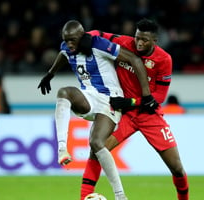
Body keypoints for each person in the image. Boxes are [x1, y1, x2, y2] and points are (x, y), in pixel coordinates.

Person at [37, 20, 158, 200]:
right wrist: (50, 74)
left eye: (73, 40)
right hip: (89, 97)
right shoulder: (66, 47)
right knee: (64, 92)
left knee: (96, 143)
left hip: (110, 100)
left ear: (81, 36)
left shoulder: (98, 45)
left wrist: (146, 95)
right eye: (66, 40)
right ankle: (62, 149)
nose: (69, 44)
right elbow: (63, 54)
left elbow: (134, 59)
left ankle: (120, 196)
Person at [80, 18, 189, 200]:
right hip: (124, 116)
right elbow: (99, 35)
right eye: (137, 37)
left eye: (144, 40)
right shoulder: (123, 42)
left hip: (149, 116)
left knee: (177, 168)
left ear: (155, 41)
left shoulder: (164, 59)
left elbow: (159, 97)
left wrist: (129, 102)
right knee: (97, 149)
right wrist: (83, 37)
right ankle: (83, 196)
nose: (138, 42)